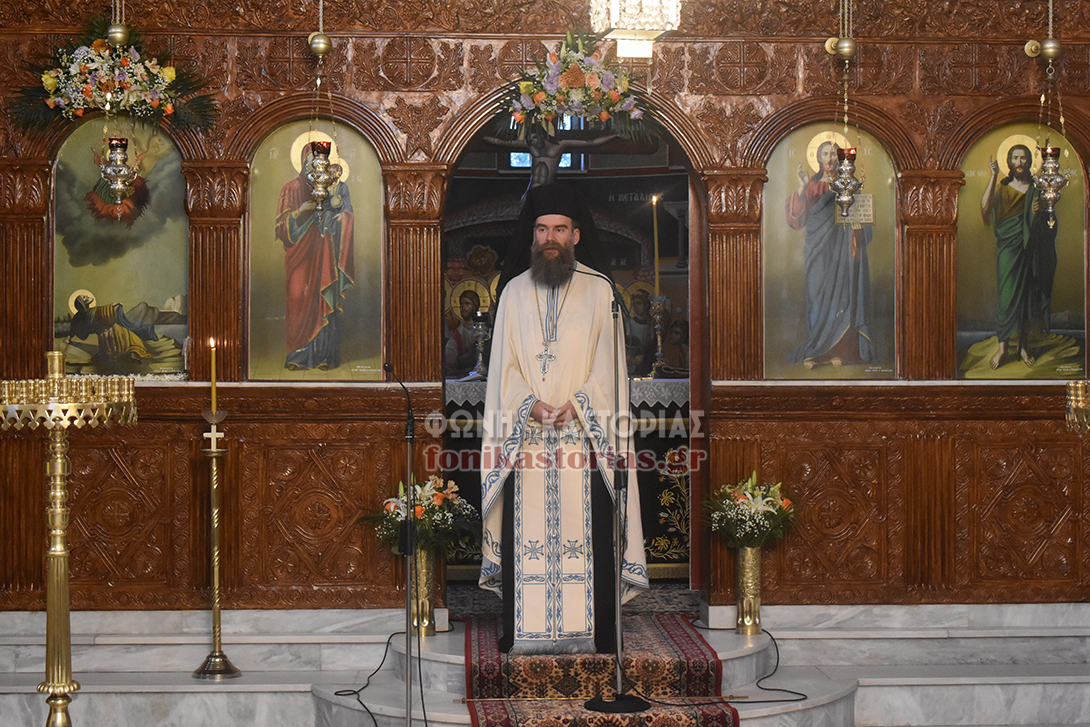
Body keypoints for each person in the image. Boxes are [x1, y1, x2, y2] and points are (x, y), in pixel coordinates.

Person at [479, 183, 648, 655]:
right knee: (526, 537)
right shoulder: (513, 292)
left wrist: (578, 403)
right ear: (532, 235)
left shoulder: (600, 291)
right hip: (527, 439)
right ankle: (524, 631)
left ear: (575, 235)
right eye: (541, 229)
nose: (549, 238)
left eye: (559, 229)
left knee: (590, 532)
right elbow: (503, 367)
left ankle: (596, 632)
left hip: (584, 437)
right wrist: (528, 404)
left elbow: (610, 367)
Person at [785, 139, 875, 369]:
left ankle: (841, 352)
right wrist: (802, 186)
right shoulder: (812, 187)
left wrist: (856, 229)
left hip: (842, 251)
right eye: (826, 153)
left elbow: (862, 221)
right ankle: (815, 351)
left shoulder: (849, 185)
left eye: (835, 154)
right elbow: (797, 220)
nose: (831, 158)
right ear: (818, 158)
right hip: (817, 250)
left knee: (844, 295)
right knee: (817, 297)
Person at [275, 141, 355, 371]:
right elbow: (280, 227)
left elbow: (345, 211)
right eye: (311, 162)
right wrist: (301, 210)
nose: (315, 166)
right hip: (299, 256)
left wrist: (340, 217)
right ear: (302, 162)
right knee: (298, 297)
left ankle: (324, 355)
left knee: (323, 299)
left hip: (324, 252)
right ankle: (297, 355)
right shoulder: (290, 188)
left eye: (320, 163)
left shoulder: (332, 187)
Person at [981, 144, 1057, 369]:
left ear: (1030, 162)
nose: (1020, 162)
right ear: (1009, 162)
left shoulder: (1037, 189)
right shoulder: (1003, 188)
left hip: (1029, 249)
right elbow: (985, 209)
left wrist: (1036, 215)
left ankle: (1023, 347)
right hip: (1007, 249)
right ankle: (1003, 347)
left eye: (1024, 158)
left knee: (1026, 298)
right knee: (1006, 299)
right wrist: (993, 176)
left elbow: (1049, 225)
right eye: (1015, 158)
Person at [482, 129, 616, 193]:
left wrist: (613, 135)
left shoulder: (559, 144)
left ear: (542, 135)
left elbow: (590, 142)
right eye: (531, 139)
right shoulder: (531, 145)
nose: (534, 141)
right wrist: (480, 135)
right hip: (532, 187)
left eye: (535, 137)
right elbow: (503, 142)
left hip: (548, 187)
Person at [444, 289, 481, 378]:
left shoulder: (483, 329)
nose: (463, 307)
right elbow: (449, 357)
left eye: (467, 304)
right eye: (461, 304)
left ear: (475, 306)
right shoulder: (458, 333)